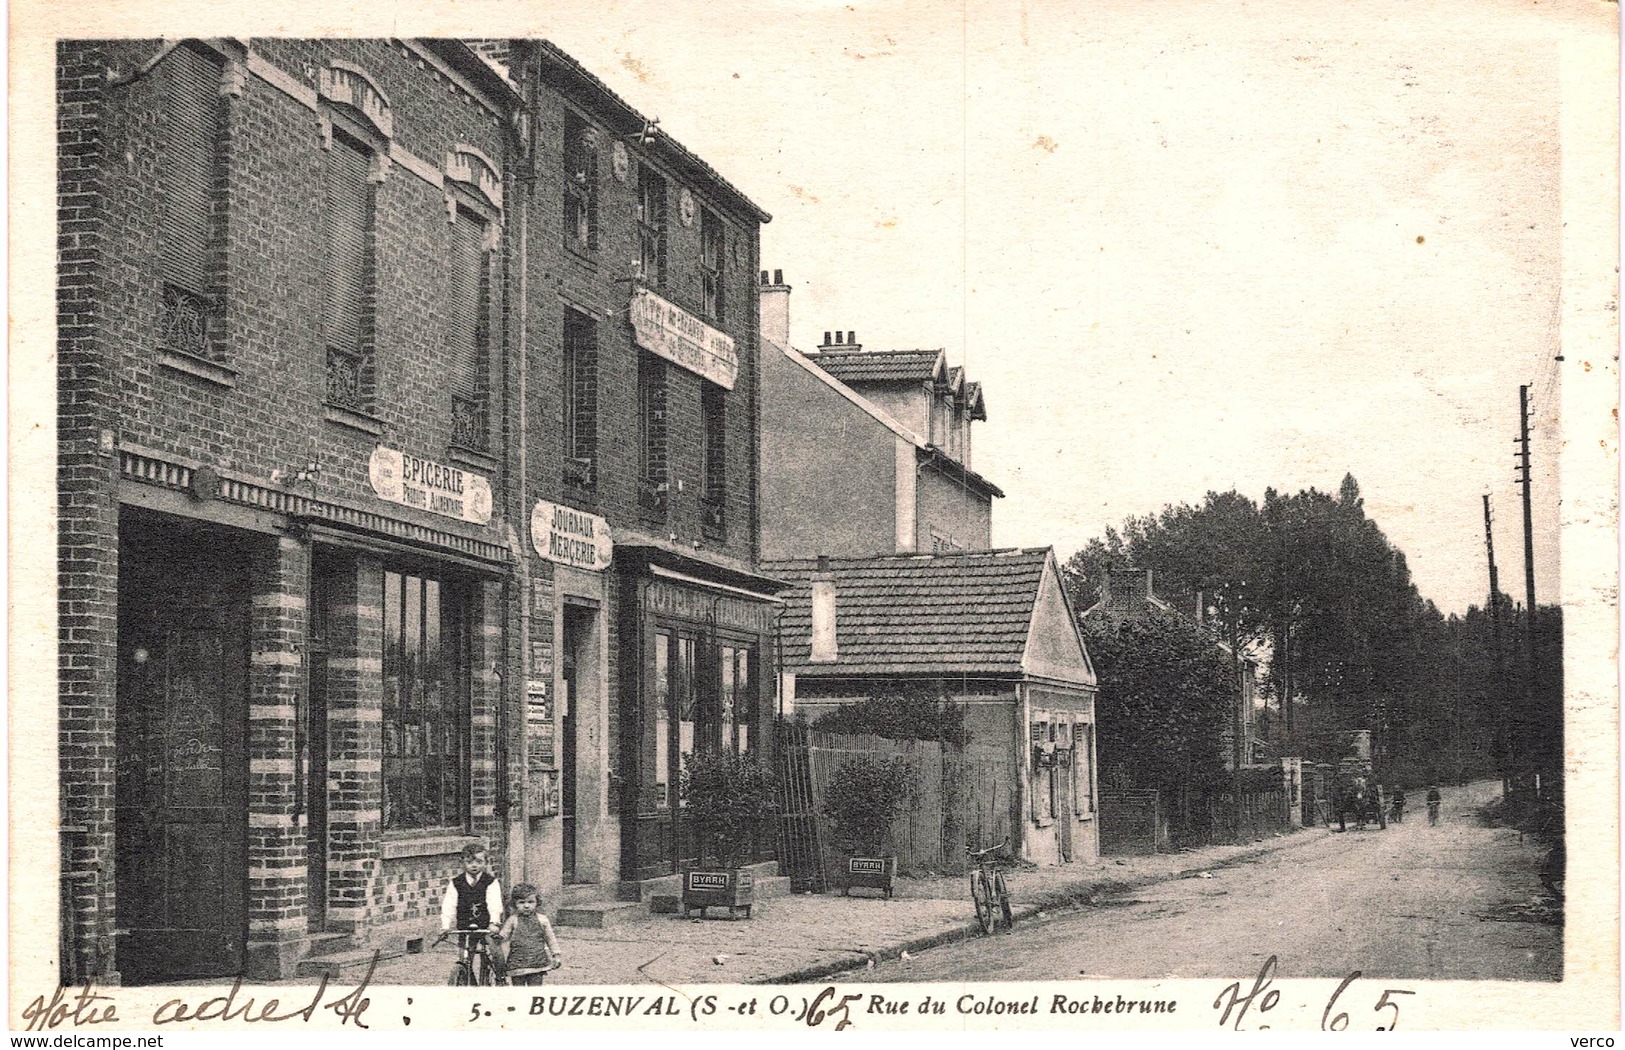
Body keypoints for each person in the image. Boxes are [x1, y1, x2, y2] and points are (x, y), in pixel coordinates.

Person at [496, 883, 563, 986]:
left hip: (536, 962)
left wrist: (556, 955)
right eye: (521, 902)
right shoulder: (513, 920)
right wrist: (499, 937)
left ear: (537, 902)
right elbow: (504, 934)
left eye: (531, 902)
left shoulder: (542, 920)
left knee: (535, 989)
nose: (526, 906)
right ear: (515, 904)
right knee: (519, 990)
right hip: (517, 963)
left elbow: (551, 939)